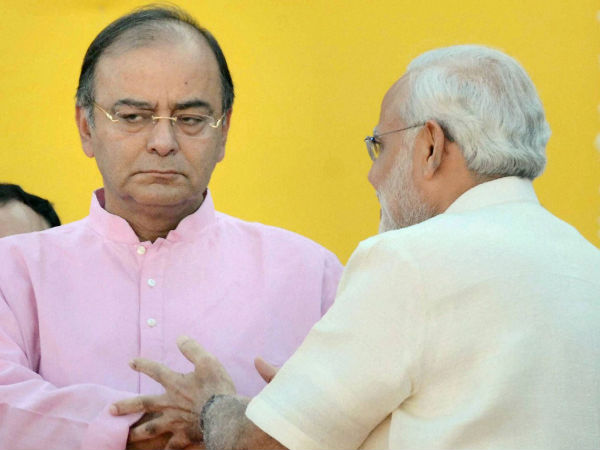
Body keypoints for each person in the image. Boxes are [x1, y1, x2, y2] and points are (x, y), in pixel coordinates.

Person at [112, 45, 600, 450]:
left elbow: (268, 445)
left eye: (379, 146)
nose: (372, 174)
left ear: (430, 145)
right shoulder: (587, 264)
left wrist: (212, 409)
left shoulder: (410, 260)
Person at [0, 5, 343, 450]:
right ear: (86, 127)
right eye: (133, 117)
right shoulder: (16, 270)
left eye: (190, 119)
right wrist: (140, 428)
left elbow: (355, 418)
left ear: (224, 131)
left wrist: (228, 422)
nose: (163, 143)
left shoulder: (308, 274)